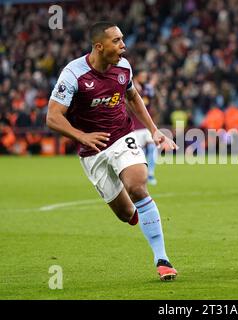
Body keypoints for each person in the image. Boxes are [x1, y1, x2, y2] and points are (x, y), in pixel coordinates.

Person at [46, 21, 178, 281]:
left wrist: (153, 130)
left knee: (138, 186)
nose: (123, 46)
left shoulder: (123, 67)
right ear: (99, 46)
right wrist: (81, 135)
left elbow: (132, 97)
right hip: (91, 151)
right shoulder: (73, 74)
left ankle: (162, 259)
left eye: (122, 39)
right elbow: (52, 117)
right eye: (116, 41)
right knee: (127, 214)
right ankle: (142, 214)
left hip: (121, 137)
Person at [127, 70, 158, 185]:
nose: (144, 77)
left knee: (152, 147)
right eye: (142, 76)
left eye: (146, 76)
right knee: (139, 153)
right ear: (137, 76)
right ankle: (140, 175)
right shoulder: (129, 89)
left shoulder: (147, 89)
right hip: (135, 127)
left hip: (146, 126)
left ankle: (150, 173)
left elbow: (151, 96)